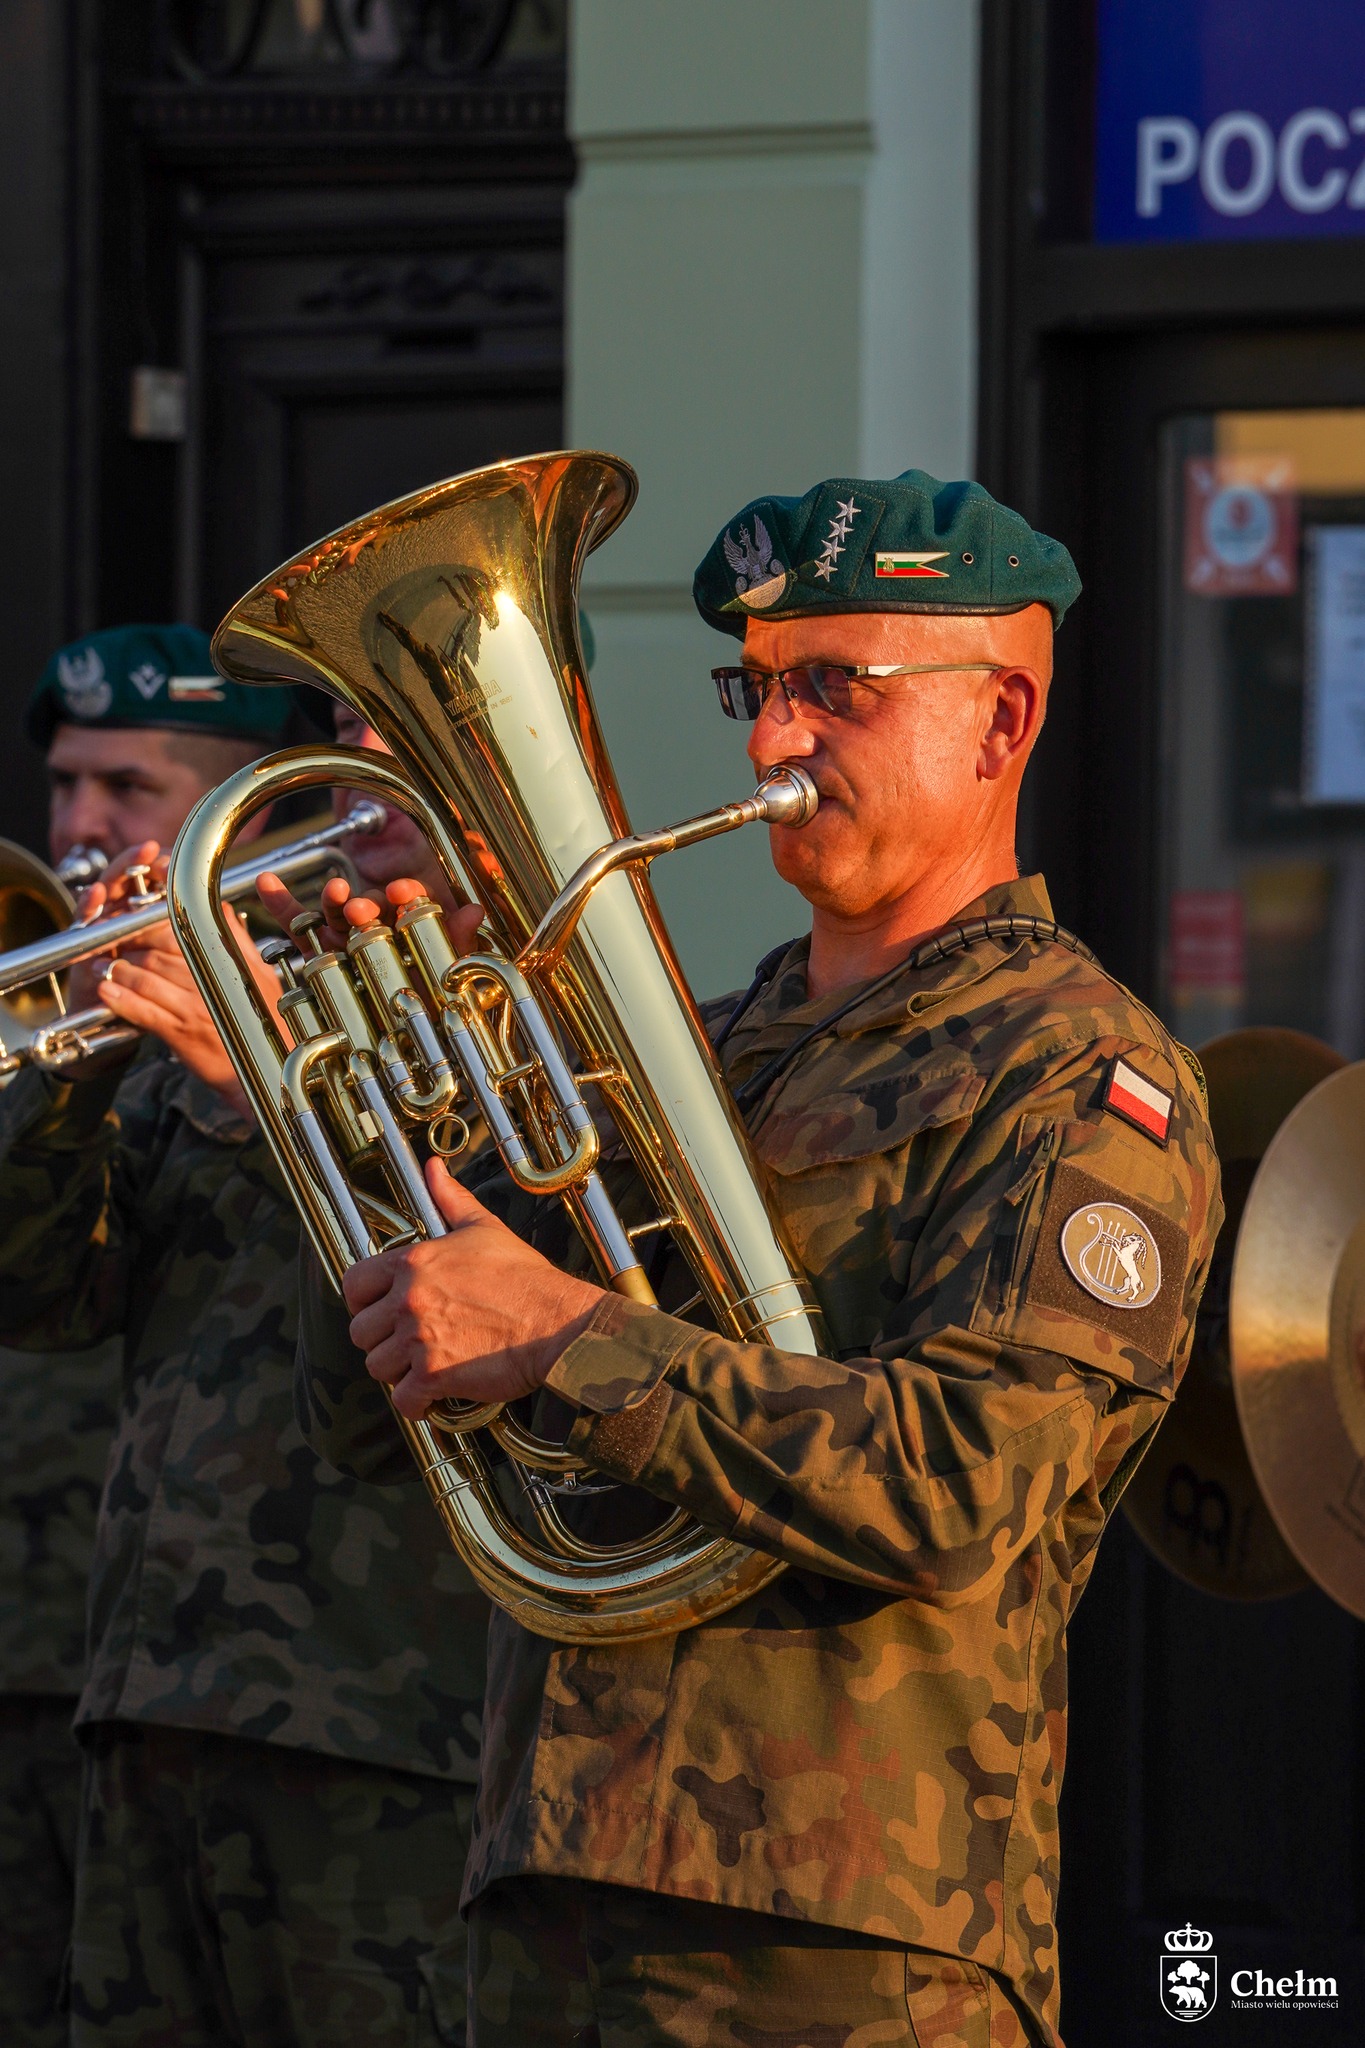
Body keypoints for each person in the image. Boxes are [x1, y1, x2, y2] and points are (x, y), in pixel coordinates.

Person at [294, 469, 1222, 2048]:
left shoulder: (1077, 1072)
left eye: (835, 689)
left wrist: (571, 1338)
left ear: (998, 722)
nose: (770, 739)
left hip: (838, 1933)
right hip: (549, 1877)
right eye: (759, 687)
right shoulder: (695, 1044)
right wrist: (349, 1129)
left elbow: (962, 1483)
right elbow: (366, 1430)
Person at [0, 659, 489, 2048]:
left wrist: (265, 1083)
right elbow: (41, 1295)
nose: (360, 772)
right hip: (148, 1702)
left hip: (388, 1727)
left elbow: (476, 1315)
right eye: (345, 734)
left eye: (404, 737)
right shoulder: (256, 991)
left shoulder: (565, 1013)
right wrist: (83, 1058)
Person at [0, 623, 294, 2046]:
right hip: (85, 1658)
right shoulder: (51, 993)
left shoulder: (315, 1002)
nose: (79, 825)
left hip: (231, 1680)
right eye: (66, 784)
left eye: (128, 788)